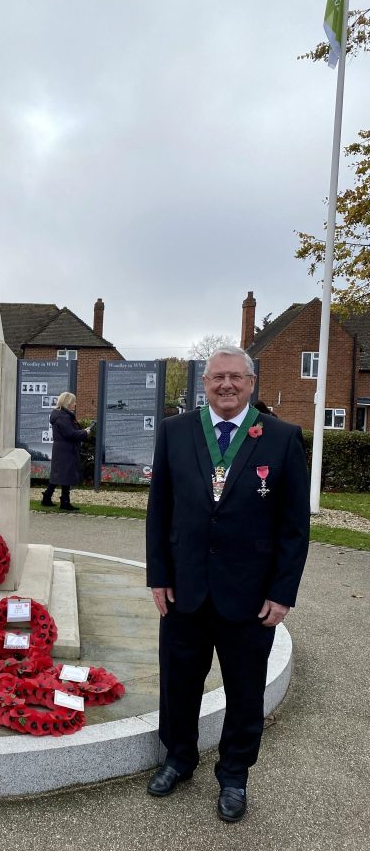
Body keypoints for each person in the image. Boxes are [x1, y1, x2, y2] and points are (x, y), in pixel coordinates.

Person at [145, 346, 309, 822]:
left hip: (250, 595)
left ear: (252, 383)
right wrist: (159, 576)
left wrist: (282, 592)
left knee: (243, 691)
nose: (227, 385)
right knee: (178, 683)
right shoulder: (175, 432)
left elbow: (295, 526)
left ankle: (235, 774)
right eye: (218, 377)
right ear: (205, 384)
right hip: (185, 590)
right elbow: (161, 512)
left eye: (236, 377)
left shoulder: (279, 437)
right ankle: (178, 758)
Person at [40, 392, 92, 512]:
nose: (75, 404)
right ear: (68, 403)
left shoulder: (60, 415)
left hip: (62, 449)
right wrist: (85, 432)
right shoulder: (63, 416)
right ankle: (63, 501)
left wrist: (82, 431)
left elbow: (69, 432)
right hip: (66, 449)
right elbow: (70, 434)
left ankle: (49, 497)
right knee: (65, 474)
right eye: (74, 402)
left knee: (60, 474)